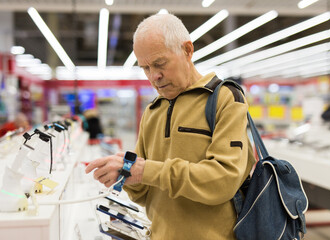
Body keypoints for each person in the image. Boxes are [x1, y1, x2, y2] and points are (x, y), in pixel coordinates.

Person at [85, 13, 255, 240]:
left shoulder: (225, 99)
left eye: (160, 63)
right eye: (145, 68)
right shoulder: (153, 112)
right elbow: (145, 195)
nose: (154, 76)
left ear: (187, 50)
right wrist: (125, 175)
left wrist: (145, 170)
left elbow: (222, 181)